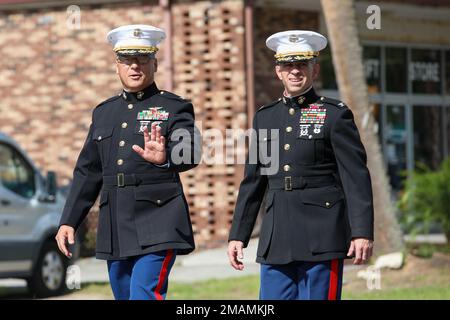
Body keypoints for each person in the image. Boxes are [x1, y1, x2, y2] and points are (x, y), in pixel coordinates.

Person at [55, 24, 199, 300]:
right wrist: (69, 220)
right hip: (115, 222)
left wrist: (165, 157)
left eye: (142, 59)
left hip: (158, 219)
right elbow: (88, 171)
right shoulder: (104, 112)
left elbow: (192, 151)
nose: (135, 66)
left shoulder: (173, 107)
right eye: (126, 60)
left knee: (144, 294)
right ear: (116, 65)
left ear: (154, 63)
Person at [227, 30, 374, 300]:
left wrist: (361, 232)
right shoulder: (265, 118)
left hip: (322, 232)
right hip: (276, 236)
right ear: (278, 71)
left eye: (301, 65)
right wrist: (238, 234)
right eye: (287, 65)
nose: (294, 71)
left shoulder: (334, 114)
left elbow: (355, 177)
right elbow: (254, 180)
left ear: (314, 69)